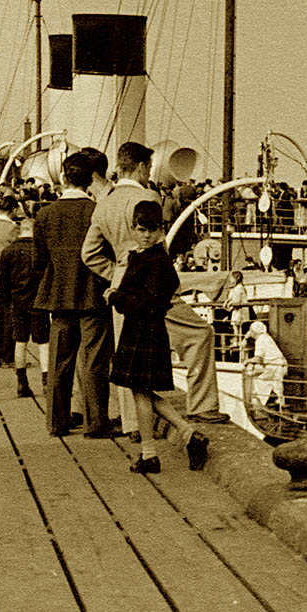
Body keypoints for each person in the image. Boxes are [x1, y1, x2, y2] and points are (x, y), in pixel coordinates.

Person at [82, 142, 228, 436]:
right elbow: (156, 246)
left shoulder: (105, 203)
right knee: (199, 334)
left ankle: (134, 424)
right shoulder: (147, 196)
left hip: (123, 291)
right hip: (152, 283)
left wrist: (117, 276)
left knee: (128, 353)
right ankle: (202, 406)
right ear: (138, 167)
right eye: (148, 167)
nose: (149, 172)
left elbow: (89, 253)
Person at [32, 153, 113, 438]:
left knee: (59, 362)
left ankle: (56, 422)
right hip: (93, 295)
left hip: (59, 296)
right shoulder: (99, 211)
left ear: (63, 177)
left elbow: (39, 260)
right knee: (94, 362)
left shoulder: (44, 214)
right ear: (90, 179)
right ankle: (96, 423)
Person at [107, 201, 188, 473]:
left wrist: (116, 296)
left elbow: (146, 301)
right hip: (145, 329)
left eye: (151, 230)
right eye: (141, 229)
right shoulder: (150, 257)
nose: (145, 235)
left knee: (140, 392)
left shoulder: (153, 260)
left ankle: (149, 454)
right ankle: (187, 433)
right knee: (143, 391)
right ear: (133, 229)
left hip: (144, 329)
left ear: (161, 230)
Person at [0, 217, 50, 399]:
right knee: (43, 343)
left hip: (17, 302)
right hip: (38, 302)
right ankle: (46, 383)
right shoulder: (39, 251)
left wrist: (8, 296)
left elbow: (1, 278)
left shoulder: (8, 251)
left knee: (20, 342)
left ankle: (22, 383)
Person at [0, 195, 21, 366]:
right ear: (13, 209)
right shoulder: (12, 229)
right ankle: (8, 356)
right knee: (10, 319)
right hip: (9, 279)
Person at [245, 320, 287, 406]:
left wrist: (247, 361)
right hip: (280, 364)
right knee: (277, 385)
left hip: (273, 365)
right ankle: (280, 404)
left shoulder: (260, 340)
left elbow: (258, 359)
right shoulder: (266, 337)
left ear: (254, 331)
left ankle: (259, 407)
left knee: (259, 383)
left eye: (251, 331)